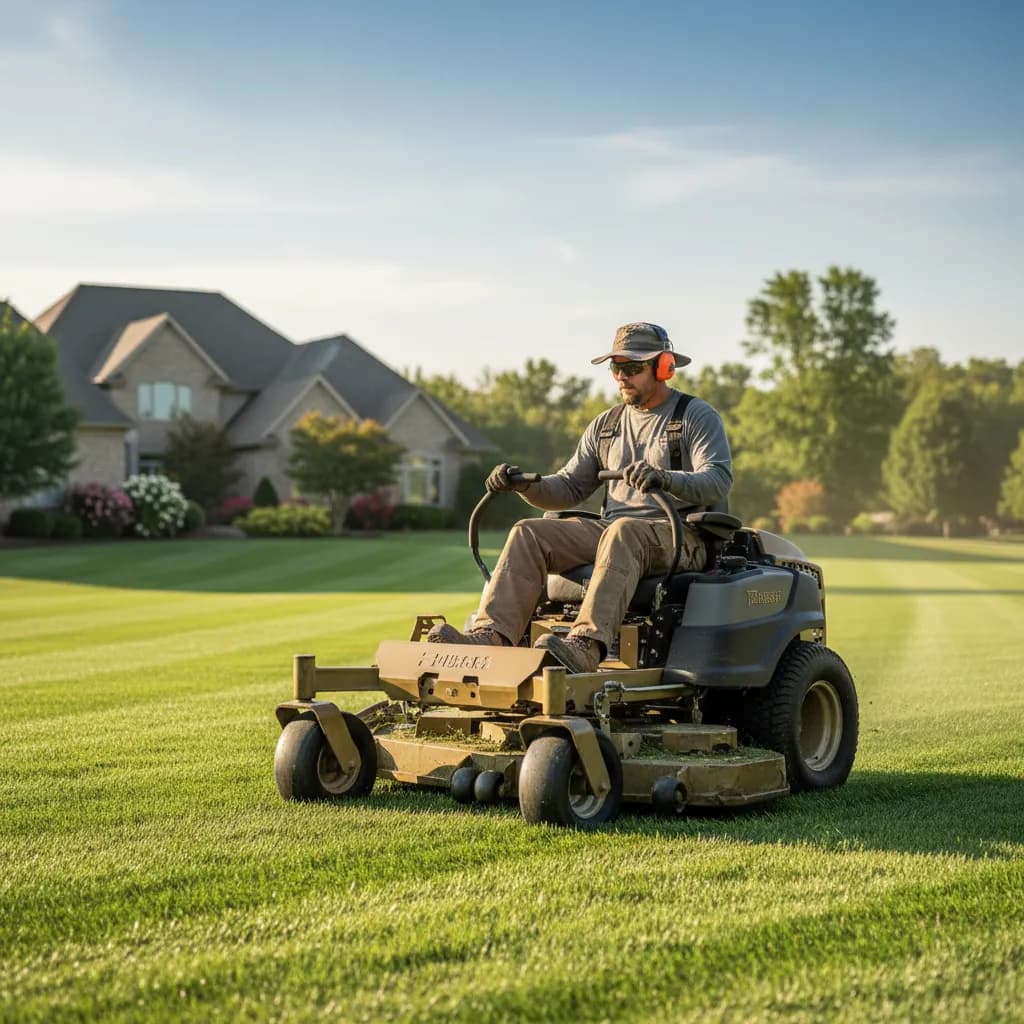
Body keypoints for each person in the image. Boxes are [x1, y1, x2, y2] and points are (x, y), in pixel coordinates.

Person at [427, 322, 733, 674]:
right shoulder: (606, 426)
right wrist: (523, 485)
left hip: (679, 535)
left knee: (624, 531)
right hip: (617, 532)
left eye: (633, 368)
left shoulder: (694, 417)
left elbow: (718, 479)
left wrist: (665, 477)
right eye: (616, 368)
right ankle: (491, 636)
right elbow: (568, 488)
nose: (622, 376)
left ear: (664, 367)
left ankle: (585, 646)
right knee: (529, 532)